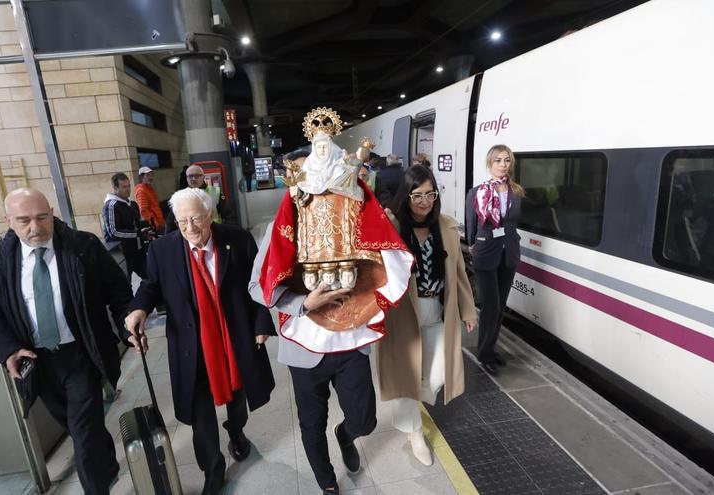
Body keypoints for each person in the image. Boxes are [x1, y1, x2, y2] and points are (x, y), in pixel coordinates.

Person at [252, 107, 413, 495]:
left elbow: (383, 252)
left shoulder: (355, 220)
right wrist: (302, 305)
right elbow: (258, 287)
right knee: (311, 423)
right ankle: (327, 483)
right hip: (304, 347)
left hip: (349, 338)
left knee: (366, 419)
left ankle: (347, 433)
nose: (325, 200)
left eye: (333, 194)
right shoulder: (283, 229)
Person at [0, 188, 132, 494]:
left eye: (42, 217)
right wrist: (8, 350)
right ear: (8, 220)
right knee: (77, 428)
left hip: (81, 353)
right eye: (24, 220)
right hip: (38, 362)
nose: (36, 227)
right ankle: (108, 463)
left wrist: (128, 328)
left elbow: (118, 291)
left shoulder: (83, 246)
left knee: (84, 434)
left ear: (51, 212)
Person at [124, 188, 275, 495]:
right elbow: (151, 287)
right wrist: (138, 309)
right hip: (191, 346)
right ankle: (213, 467)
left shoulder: (238, 239)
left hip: (233, 340)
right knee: (199, 412)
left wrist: (261, 323)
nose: (189, 228)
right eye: (182, 221)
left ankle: (236, 430)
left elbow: (258, 284)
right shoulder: (162, 250)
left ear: (210, 215)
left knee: (238, 401)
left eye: (195, 219)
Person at [380, 166, 477, 466]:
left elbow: (459, 274)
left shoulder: (445, 226)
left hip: (436, 308)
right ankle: (414, 431)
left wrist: (467, 310)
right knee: (408, 376)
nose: (425, 202)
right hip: (402, 314)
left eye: (430, 195)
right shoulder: (393, 226)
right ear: (405, 196)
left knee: (436, 374)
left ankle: (408, 401)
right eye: (417, 195)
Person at [464, 144, 525, 376]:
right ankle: (484, 353)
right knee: (491, 306)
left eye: (507, 160)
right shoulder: (477, 191)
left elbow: (513, 221)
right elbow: (471, 222)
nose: (503, 165)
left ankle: (490, 347)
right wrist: (472, 244)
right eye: (498, 160)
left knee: (500, 307)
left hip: (508, 252)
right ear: (490, 163)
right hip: (486, 252)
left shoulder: (516, 191)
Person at [102, 172, 151, 280]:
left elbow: (136, 225)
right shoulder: (111, 205)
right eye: (124, 187)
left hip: (138, 251)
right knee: (125, 286)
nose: (128, 189)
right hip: (121, 253)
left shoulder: (132, 204)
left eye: (129, 186)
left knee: (151, 278)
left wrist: (146, 229)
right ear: (115, 187)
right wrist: (139, 234)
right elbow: (114, 232)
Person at [134, 166, 165, 232]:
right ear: (141, 177)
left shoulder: (148, 188)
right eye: (147, 175)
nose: (151, 177)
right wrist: (155, 224)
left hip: (159, 223)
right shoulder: (141, 190)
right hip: (155, 225)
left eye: (151, 175)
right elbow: (143, 210)